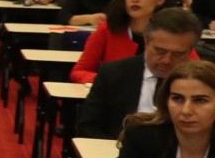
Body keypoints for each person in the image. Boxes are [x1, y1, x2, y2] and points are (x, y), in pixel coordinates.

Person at [74, 7, 201, 140]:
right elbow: (88, 128)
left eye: (178, 54)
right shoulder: (112, 73)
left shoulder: (201, 82)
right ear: (146, 40)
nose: (166, 60)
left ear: (190, 50)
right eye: (160, 51)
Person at [72, 0, 167, 83]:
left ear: (160, 0)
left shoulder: (172, 34)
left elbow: (184, 73)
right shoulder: (107, 29)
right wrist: (106, 83)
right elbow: (80, 71)